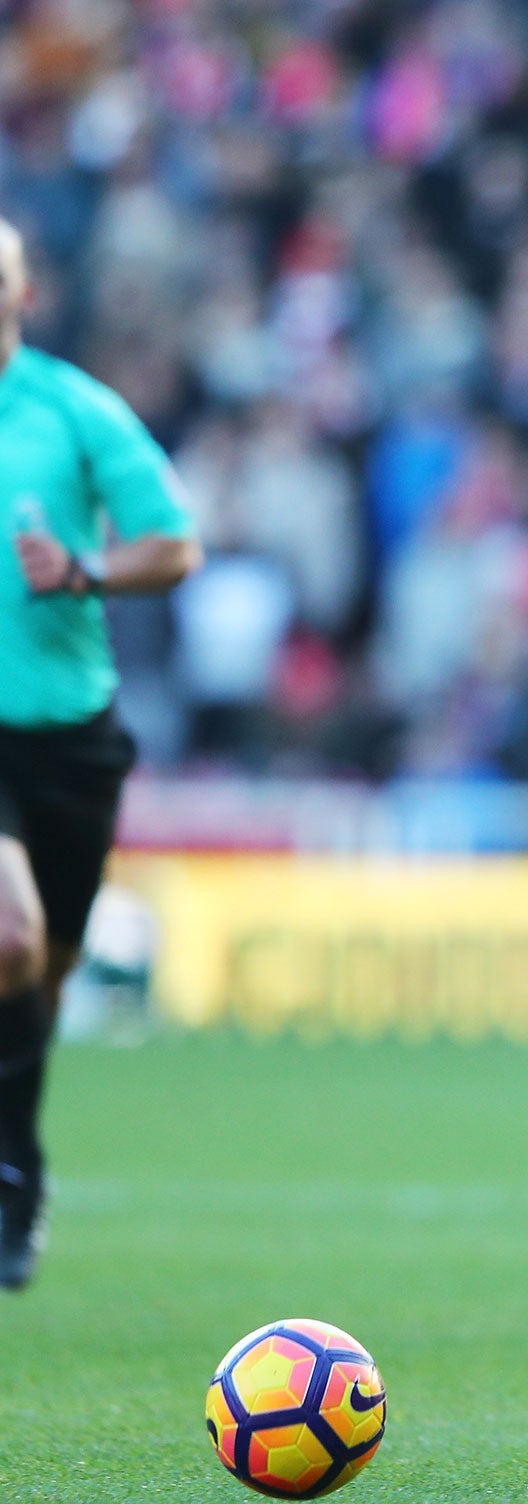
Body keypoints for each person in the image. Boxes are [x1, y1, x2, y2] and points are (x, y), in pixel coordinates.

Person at [0, 218, 203, 1289]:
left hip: (69, 735)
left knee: (44, 971)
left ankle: (16, 1154)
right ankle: (15, 1179)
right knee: (11, 938)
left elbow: (174, 544)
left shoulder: (71, 410)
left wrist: (81, 571)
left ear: (20, 294)